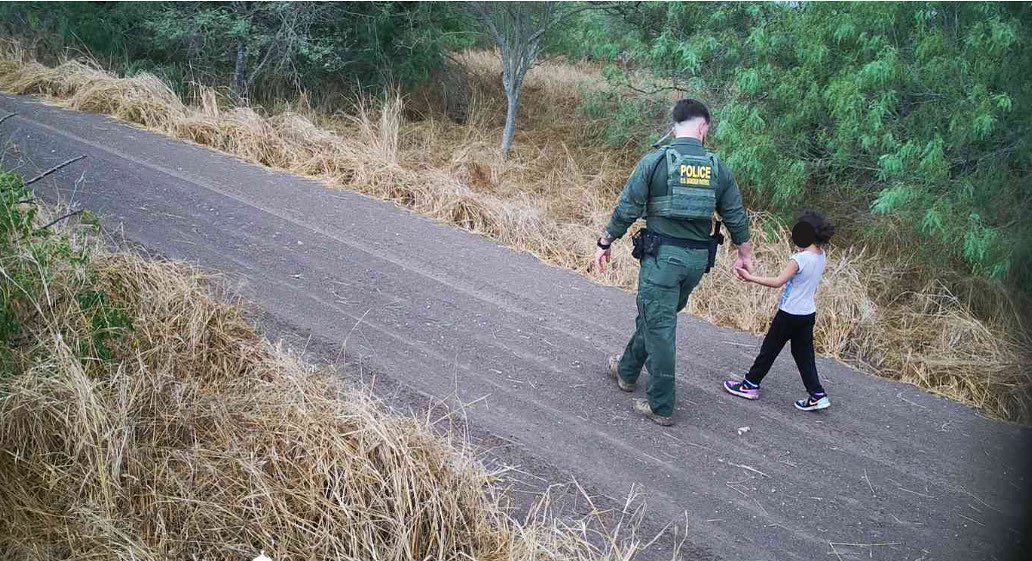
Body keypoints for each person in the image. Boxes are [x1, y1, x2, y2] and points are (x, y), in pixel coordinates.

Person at [593, 99, 753, 426]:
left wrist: (605, 241)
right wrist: (745, 254)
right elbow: (735, 215)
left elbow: (628, 208)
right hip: (696, 263)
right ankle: (625, 370)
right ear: (703, 127)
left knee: (661, 326)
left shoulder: (656, 161)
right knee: (656, 316)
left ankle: (661, 405)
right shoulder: (717, 167)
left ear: (674, 125)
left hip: (663, 260)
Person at [723, 211, 835, 411]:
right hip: (808, 314)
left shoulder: (799, 259)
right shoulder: (821, 256)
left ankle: (750, 385)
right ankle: (817, 394)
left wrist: (750, 278)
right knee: (804, 355)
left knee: (769, 350)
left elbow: (777, 282)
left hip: (789, 314)